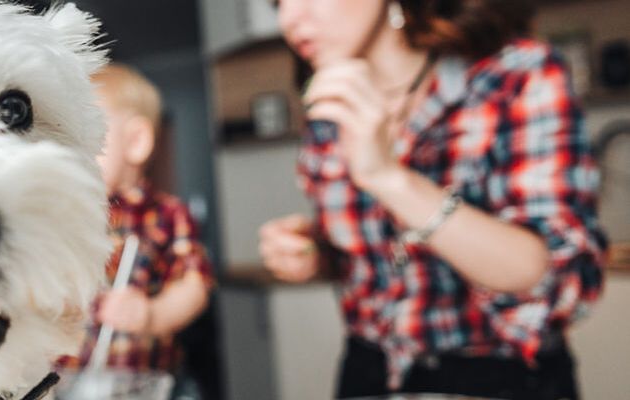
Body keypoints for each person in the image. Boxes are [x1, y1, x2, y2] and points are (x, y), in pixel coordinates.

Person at [259, 0, 607, 398]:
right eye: (278, 2)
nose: (289, 18)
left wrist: (389, 178)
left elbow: (555, 280)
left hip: (500, 377)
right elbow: (379, 259)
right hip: (370, 371)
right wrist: (317, 254)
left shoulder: (514, 74)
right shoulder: (332, 93)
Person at [59, 64, 213, 380]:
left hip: (139, 381)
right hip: (65, 381)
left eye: (86, 142)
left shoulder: (168, 214)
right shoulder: (63, 214)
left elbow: (195, 285)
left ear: (136, 141)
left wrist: (152, 315)